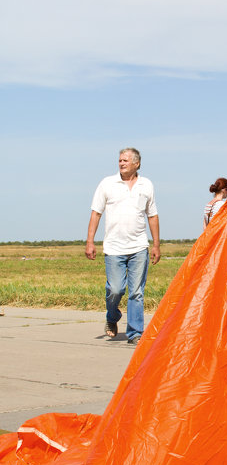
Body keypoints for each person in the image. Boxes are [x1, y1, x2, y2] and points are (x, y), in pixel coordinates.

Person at [85, 147, 160, 345]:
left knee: (136, 292)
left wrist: (156, 245)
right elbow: (96, 213)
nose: (121, 163)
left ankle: (135, 333)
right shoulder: (107, 183)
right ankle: (112, 316)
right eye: (120, 160)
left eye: (125, 160)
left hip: (138, 247)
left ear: (137, 163)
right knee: (116, 290)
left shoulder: (146, 185)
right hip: (114, 248)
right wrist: (90, 241)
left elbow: (152, 215)